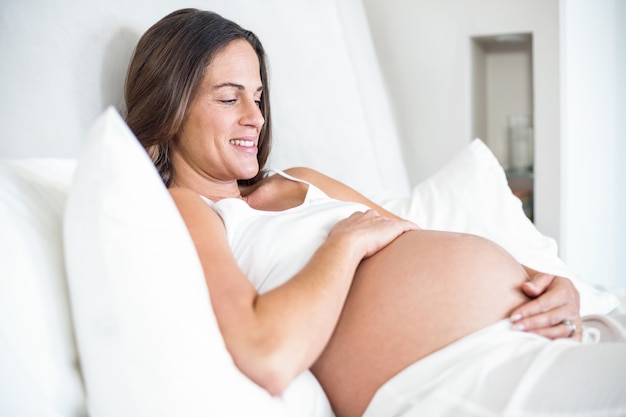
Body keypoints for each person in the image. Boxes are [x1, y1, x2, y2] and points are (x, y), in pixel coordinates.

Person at [124, 9, 625, 417]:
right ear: (170, 108)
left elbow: (416, 240)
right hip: (455, 376)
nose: (255, 117)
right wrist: (344, 246)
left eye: (257, 97)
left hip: (537, 336)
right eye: (229, 98)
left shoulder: (302, 179)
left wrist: (549, 282)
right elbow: (266, 355)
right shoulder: (186, 209)